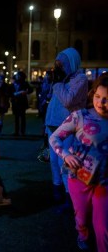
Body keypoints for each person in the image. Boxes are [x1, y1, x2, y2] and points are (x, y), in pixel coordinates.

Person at [49, 73, 108, 251]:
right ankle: (82, 236)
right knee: (81, 218)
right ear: (92, 94)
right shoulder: (80, 116)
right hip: (79, 178)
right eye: (98, 97)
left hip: (104, 183)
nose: (101, 103)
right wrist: (66, 154)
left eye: (106, 99)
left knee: (103, 226)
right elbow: (55, 138)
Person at [45, 47, 89, 212]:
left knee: (65, 163)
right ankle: (58, 193)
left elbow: (68, 101)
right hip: (53, 125)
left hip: (69, 127)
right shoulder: (61, 78)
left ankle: (70, 199)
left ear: (71, 62)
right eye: (57, 64)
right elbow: (52, 101)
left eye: (61, 64)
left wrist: (57, 82)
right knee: (53, 163)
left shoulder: (81, 79)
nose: (59, 67)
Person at [37, 70, 54, 163]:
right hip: (43, 105)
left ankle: (47, 144)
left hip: (48, 106)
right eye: (46, 75)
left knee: (47, 125)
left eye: (48, 75)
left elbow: (49, 95)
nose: (47, 77)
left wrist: (45, 100)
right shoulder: (44, 84)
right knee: (44, 124)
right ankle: (45, 143)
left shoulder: (52, 84)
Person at [10, 71, 33, 136]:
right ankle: (16, 131)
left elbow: (30, 90)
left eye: (18, 75)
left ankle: (22, 132)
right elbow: (10, 91)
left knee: (22, 117)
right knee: (16, 117)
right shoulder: (13, 83)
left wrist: (25, 92)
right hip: (15, 102)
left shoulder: (25, 83)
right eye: (17, 75)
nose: (17, 76)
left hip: (22, 102)